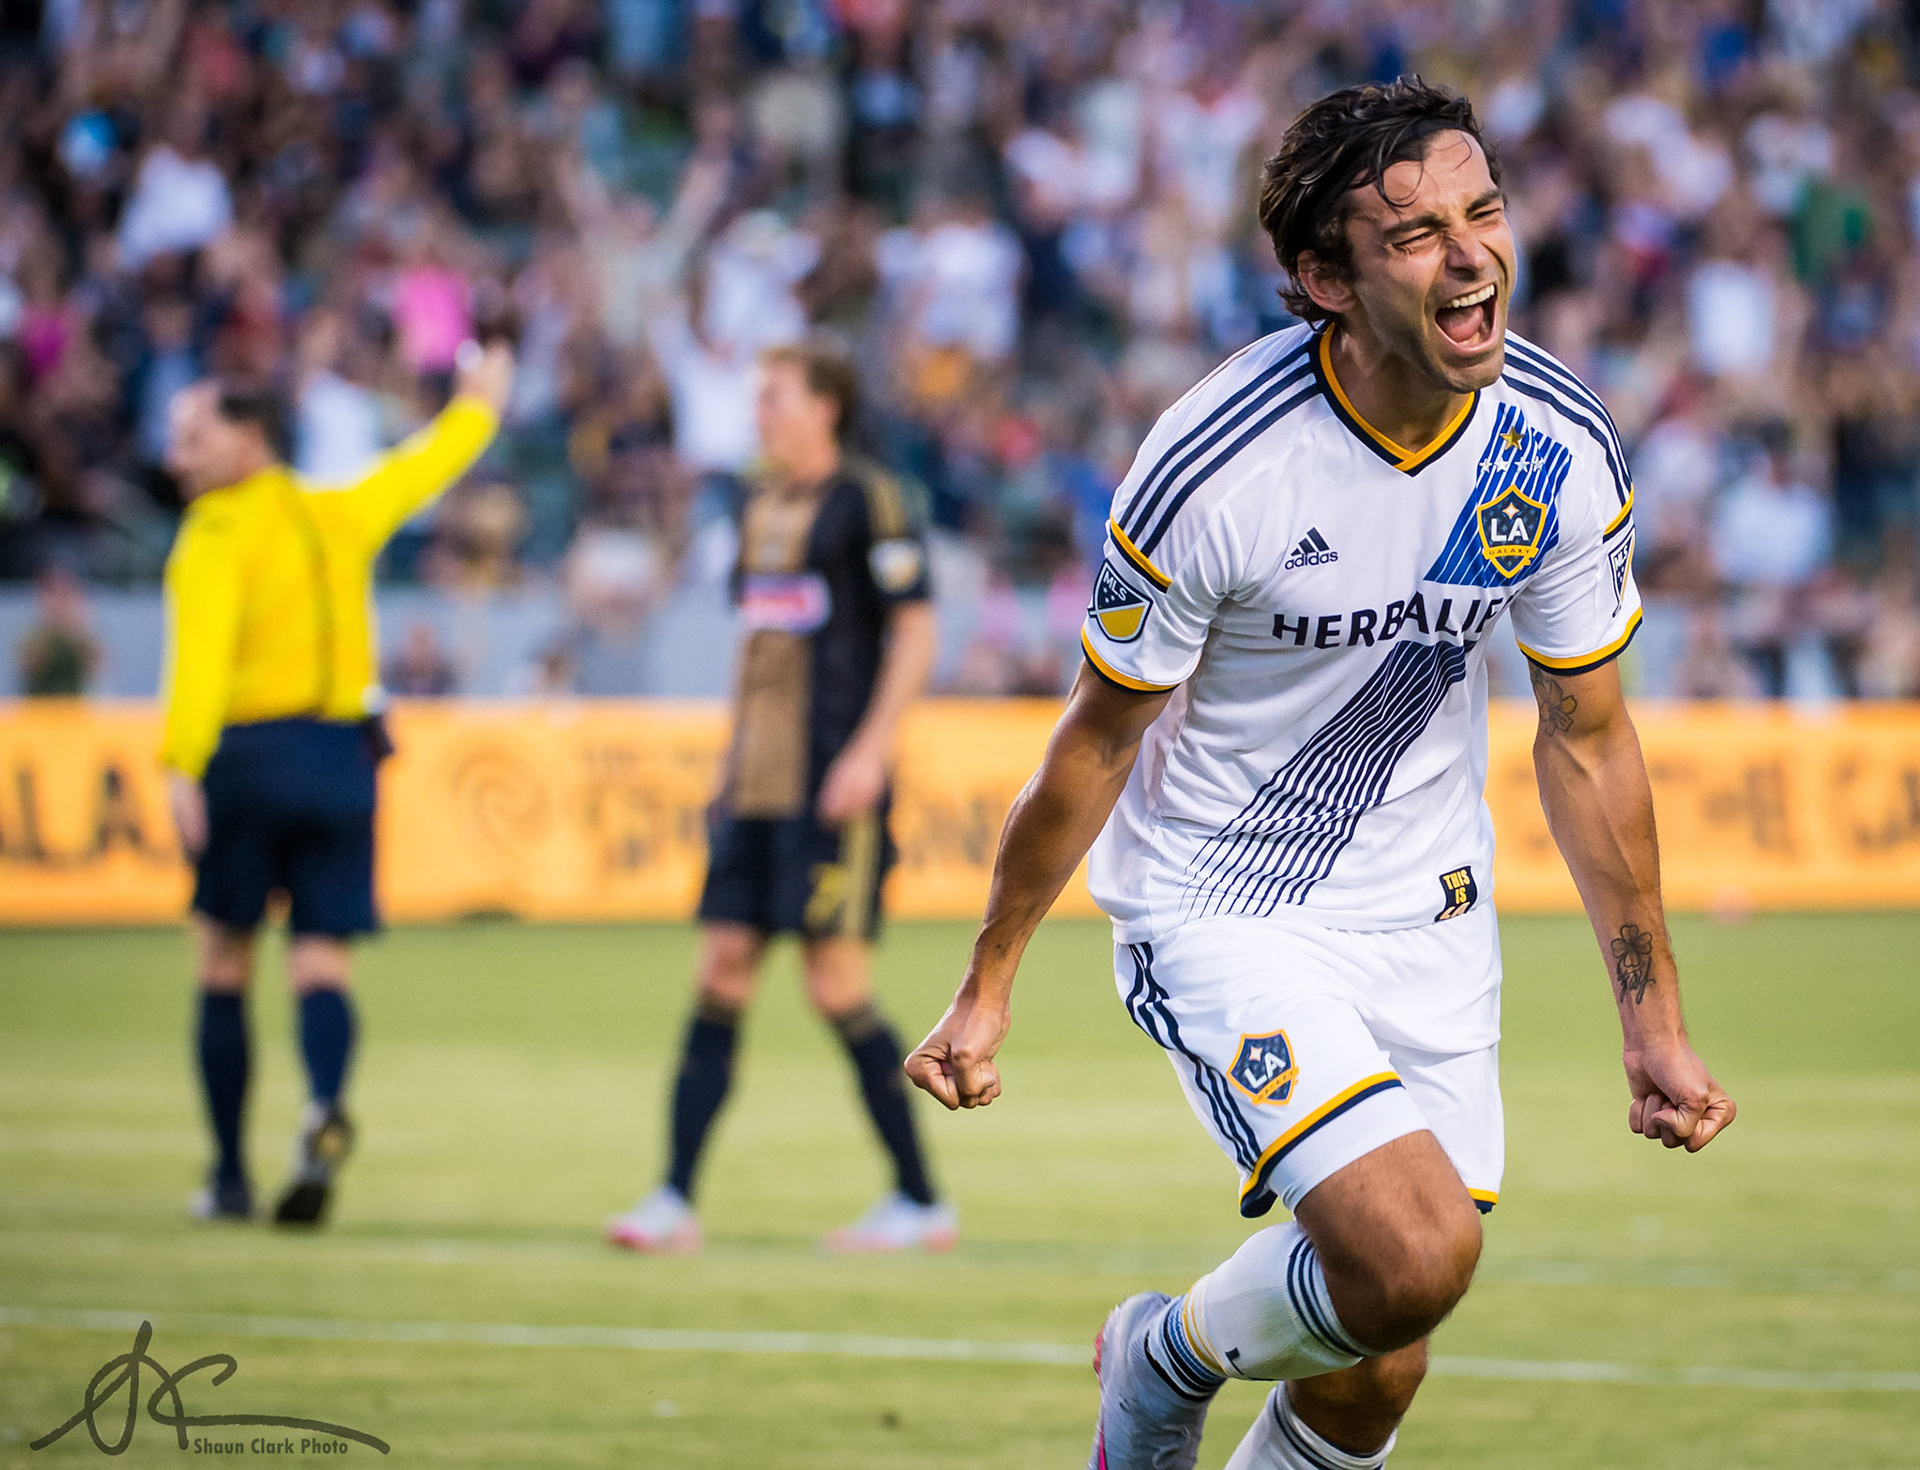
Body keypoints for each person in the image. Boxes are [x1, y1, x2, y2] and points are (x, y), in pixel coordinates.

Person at [905, 78, 1736, 1470]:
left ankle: (1163, 1354)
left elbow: (1586, 734)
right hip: (1223, 908)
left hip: (1429, 917)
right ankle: (1163, 1364)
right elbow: (1094, 738)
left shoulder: (1557, 444)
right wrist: (987, 984)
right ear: (1321, 279)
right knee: (1411, 1252)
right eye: (1413, 235)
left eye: (1485, 211)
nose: (1471, 254)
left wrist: (1651, 1018)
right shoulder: (1214, 466)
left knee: (1379, 1352)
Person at [607, 341, 951, 1254]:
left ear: (825, 406)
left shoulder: (868, 500)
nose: (758, 411)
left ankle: (920, 1201)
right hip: (755, 787)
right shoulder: (757, 507)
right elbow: (757, 645)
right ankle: (673, 1199)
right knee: (721, 968)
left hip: (832, 785)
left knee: (834, 981)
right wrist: (728, 762)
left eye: (774, 396)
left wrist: (870, 751)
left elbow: (915, 629)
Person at [161, 343, 515, 1226]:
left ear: (250, 440)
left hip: (248, 756)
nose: (179, 453)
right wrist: (480, 405)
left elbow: (200, 660)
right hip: (344, 761)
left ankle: (230, 1176)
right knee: (321, 958)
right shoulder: (338, 511)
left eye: (195, 434)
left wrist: (179, 764)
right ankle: (321, 1105)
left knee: (225, 958)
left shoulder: (214, 532)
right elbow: (423, 466)